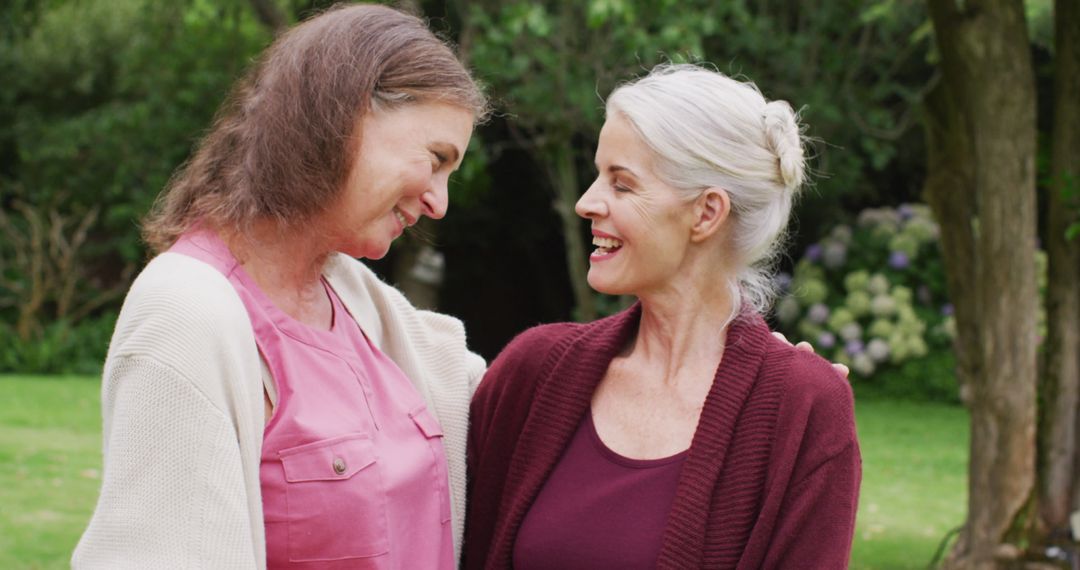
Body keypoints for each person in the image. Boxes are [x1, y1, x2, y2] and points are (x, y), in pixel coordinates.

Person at [72, 5, 488, 568]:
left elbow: (514, 399)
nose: (439, 201)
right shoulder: (187, 312)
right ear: (347, 116)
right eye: (436, 159)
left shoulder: (357, 299)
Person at [465, 64, 862, 569]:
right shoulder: (532, 372)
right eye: (597, 177)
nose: (586, 202)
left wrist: (790, 388)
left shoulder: (802, 409)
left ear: (706, 213)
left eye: (622, 185)